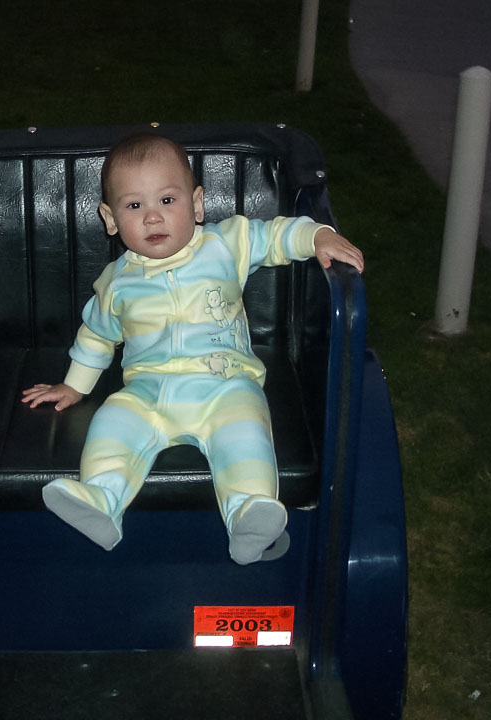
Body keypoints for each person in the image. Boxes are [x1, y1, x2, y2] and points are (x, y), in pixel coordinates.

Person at [21, 133, 364, 564]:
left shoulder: (224, 244)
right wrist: (74, 386)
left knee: (245, 433)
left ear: (197, 204)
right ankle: (101, 498)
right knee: (113, 421)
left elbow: (276, 235)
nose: (152, 217)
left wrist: (317, 236)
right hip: (148, 392)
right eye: (134, 206)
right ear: (110, 219)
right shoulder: (116, 282)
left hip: (225, 385)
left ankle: (249, 514)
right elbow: (96, 335)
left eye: (167, 200)